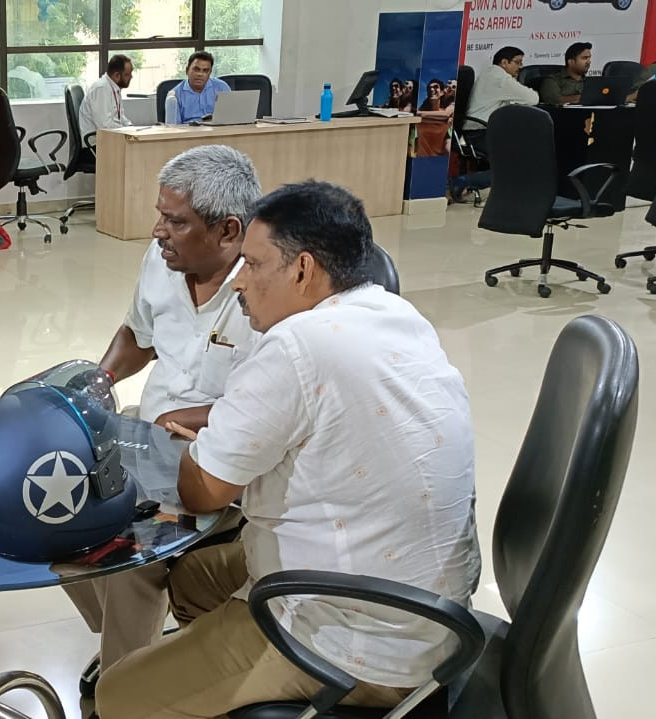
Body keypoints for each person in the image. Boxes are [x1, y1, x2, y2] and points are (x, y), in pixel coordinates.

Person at [95, 180, 481, 719]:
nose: (240, 281)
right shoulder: (396, 315)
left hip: (355, 639)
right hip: (427, 617)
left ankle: (252, 680)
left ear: (302, 270)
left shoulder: (296, 344)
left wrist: (147, 450)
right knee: (192, 579)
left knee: (117, 694)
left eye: (253, 264)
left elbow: (203, 491)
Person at [63, 144, 261, 674]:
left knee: (125, 553)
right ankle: (124, 634)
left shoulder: (266, 286)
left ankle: (123, 683)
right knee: (52, 496)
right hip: (146, 435)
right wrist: (100, 380)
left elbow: (270, 406)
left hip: (216, 455)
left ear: (228, 231)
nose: (158, 232)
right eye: (160, 215)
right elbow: (139, 333)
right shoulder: (164, 259)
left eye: (176, 221)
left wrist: (183, 426)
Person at [465, 45, 537, 130]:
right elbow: (533, 99)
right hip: (479, 129)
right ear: (504, 62)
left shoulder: (489, 73)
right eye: (518, 62)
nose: (521, 66)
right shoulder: (500, 78)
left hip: (475, 126)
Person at [80, 54, 134, 136]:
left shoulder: (114, 87)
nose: (131, 77)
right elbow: (104, 125)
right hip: (97, 140)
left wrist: (131, 127)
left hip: (109, 136)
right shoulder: (101, 88)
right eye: (127, 74)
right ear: (117, 75)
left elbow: (120, 117)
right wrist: (125, 131)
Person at [171, 51, 230, 124]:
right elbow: (174, 127)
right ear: (187, 70)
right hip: (190, 130)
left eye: (205, 71)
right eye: (196, 69)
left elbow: (231, 117)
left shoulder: (222, 88)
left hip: (218, 129)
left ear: (210, 73)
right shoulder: (175, 95)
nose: (200, 74)